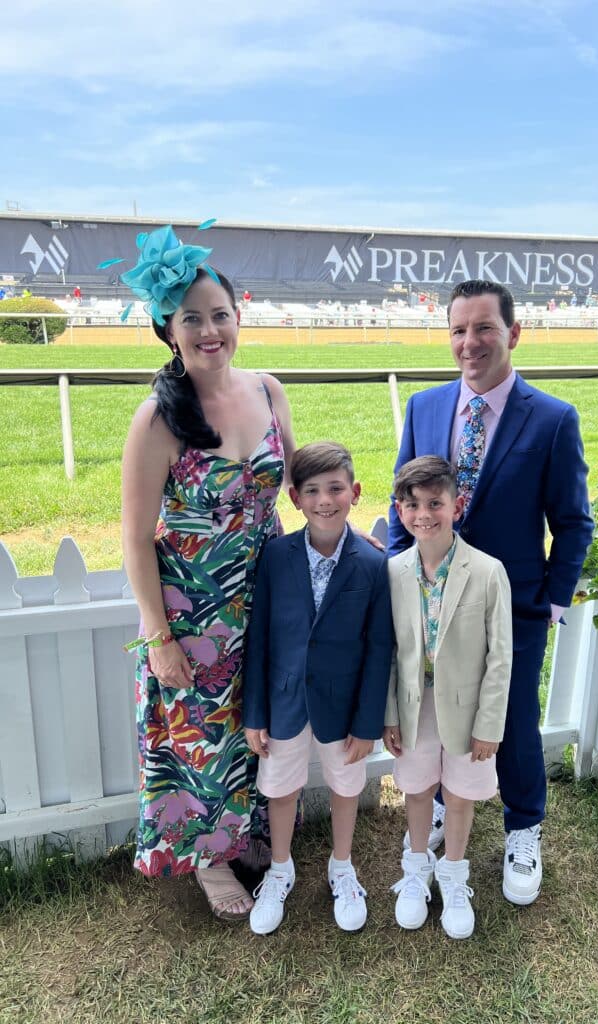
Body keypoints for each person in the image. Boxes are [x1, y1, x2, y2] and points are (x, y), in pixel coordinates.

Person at [387, 279, 593, 906]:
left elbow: (574, 521)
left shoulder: (553, 418)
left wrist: (550, 602)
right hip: (433, 600)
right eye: (458, 330)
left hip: (514, 605)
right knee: (438, 709)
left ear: (514, 333)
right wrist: (400, 577)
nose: (469, 343)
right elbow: (403, 505)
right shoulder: (424, 406)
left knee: (513, 720)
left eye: (484, 329)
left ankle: (524, 827)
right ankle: (447, 810)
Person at [119, 224, 296, 920]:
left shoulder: (269, 388)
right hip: (192, 612)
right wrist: (160, 637)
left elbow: (292, 483)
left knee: (255, 723)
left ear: (238, 316)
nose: (209, 329)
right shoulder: (158, 420)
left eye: (219, 314)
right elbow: (135, 539)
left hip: (264, 594)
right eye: (191, 318)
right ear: (169, 329)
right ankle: (209, 859)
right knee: (203, 736)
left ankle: (249, 833)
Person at [243, 442, 393, 935]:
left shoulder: (373, 564)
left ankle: (342, 865)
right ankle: (280, 869)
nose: (325, 500)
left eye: (335, 489)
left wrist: (368, 722)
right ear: (295, 497)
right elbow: (260, 637)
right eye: (312, 491)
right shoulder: (276, 556)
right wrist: (255, 713)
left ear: (355, 492)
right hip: (284, 700)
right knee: (280, 788)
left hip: (344, 707)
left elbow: (378, 650)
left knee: (345, 786)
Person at [385, 456, 512, 939]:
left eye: (435, 503)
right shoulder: (394, 572)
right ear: (400, 511)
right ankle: (417, 867)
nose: (424, 514)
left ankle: (454, 873)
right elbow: (390, 653)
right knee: (417, 789)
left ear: (455, 505)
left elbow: (501, 657)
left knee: (459, 795)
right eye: (412, 505)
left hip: (467, 712)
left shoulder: (486, 571)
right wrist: (390, 713)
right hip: (415, 710)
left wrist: (489, 725)